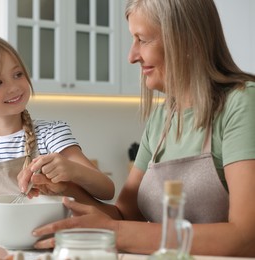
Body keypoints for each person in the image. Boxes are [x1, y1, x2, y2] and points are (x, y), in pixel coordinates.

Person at [25, 0, 255, 257]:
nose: (132, 56)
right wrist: (66, 188)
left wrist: (116, 233)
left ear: (186, 40)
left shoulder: (242, 104)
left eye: (142, 40)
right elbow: (122, 215)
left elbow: (245, 237)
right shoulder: (162, 119)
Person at [0, 35, 115, 226]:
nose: (13, 87)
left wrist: (73, 170)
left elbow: (107, 190)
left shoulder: (51, 134)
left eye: (17, 74)